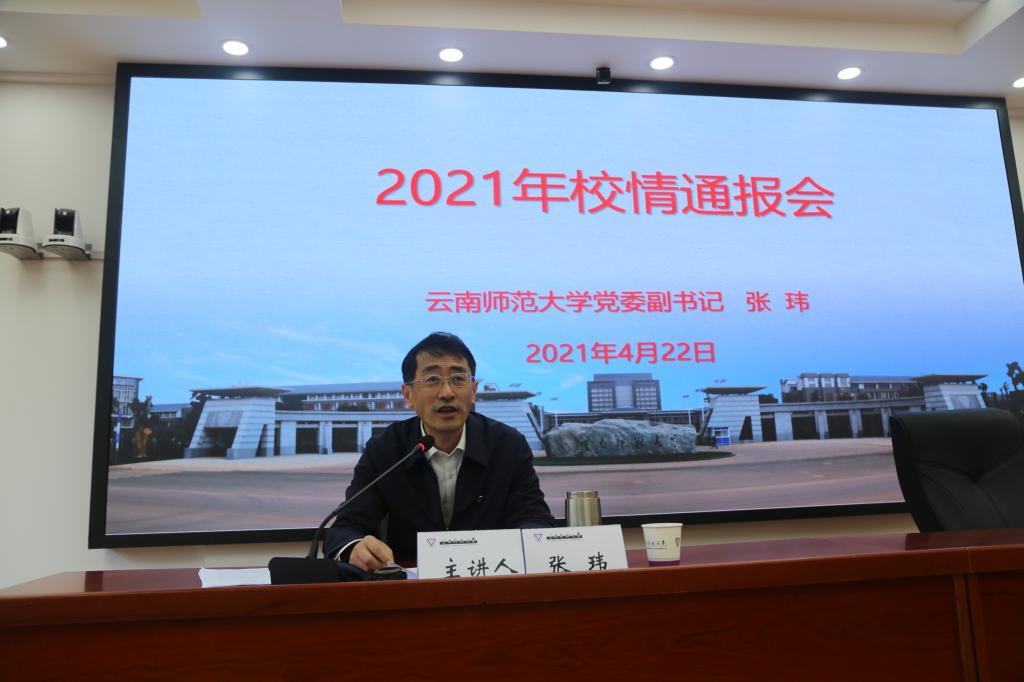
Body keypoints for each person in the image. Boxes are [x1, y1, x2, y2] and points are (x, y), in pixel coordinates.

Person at [325, 332, 555, 570]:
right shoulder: (386, 449)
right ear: (408, 395)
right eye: (432, 379)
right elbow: (346, 528)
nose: (447, 392)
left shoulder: (506, 445)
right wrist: (355, 548)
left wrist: (529, 543)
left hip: (491, 578)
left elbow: (534, 518)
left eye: (458, 378)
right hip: (411, 587)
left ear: (473, 390)